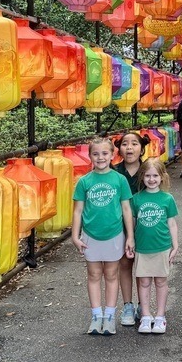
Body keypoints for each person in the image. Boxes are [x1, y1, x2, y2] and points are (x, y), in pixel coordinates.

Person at [71, 135, 134, 337]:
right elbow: (78, 211)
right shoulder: (84, 182)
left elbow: (126, 209)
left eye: (105, 153)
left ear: (112, 155)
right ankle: (96, 316)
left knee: (111, 274)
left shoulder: (119, 180)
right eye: (96, 154)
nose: (100, 157)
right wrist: (75, 235)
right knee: (94, 275)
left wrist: (130, 236)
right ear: (90, 156)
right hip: (90, 234)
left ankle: (109, 317)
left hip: (115, 233)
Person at [131, 158, 179, 335]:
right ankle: (145, 315)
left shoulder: (167, 198)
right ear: (142, 177)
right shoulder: (136, 199)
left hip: (162, 246)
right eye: (148, 175)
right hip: (143, 248)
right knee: (143, 281)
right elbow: (133, 223)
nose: (151, 179)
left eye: (155, 176)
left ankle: (160, 316)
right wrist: (130, 242)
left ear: (162, 177)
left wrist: (175, 245)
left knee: (160, 281)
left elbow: (172, 223)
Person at [112, 130, 149, 327]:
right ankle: (127, 305)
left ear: (142, 148)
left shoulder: (149, 171)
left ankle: (144, 305)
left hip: (145, 226)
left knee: (143, 267)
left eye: (134, 144)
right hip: (120, 226)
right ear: (119, 148)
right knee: (125, 264)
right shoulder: (113, 171)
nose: (129, 148)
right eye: (125, 144)